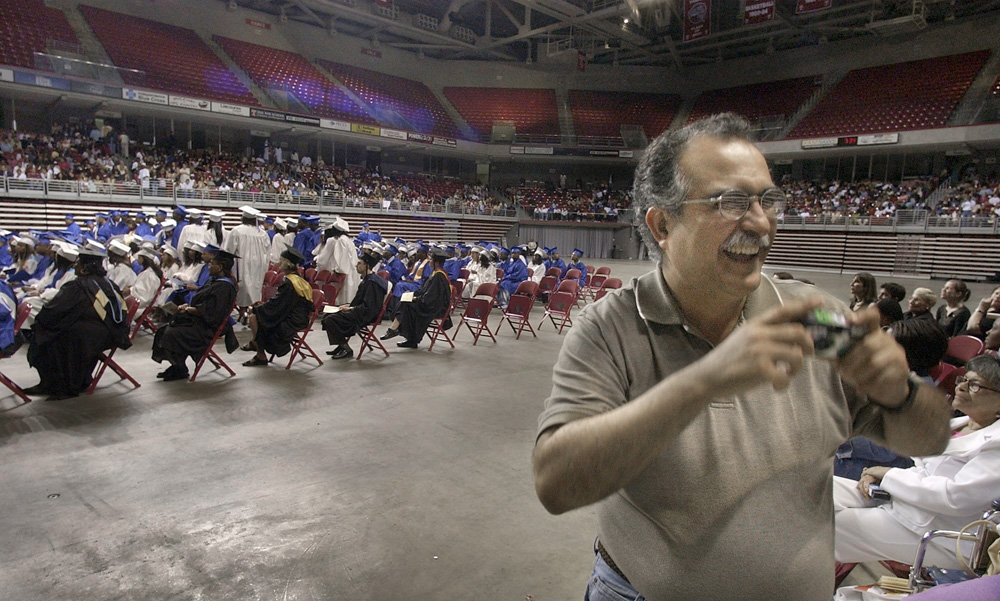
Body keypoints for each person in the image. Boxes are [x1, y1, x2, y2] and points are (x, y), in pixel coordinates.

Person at [531, 113, 951, 601]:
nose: (758, 222)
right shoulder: (610, 328)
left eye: (767, 200)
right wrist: (703, 382)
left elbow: (932, 438)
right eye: (729, 202)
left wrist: (900, 395)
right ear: (663, 223)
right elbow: (556, 484)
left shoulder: (817, 320)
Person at [834, 353, 1000, 569]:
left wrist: (888, 475)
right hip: (906, 502)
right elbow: (922, 468)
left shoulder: (996, 443)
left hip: (940, 534)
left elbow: (956, 497)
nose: (961, 387)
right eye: (963, 380)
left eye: (975, 385)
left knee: (828, 528)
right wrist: (882, 476)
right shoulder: (960, 424)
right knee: (817, 490)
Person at [23, 248, 130, 400]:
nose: (76, 266)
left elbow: (56, 310)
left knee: (49, 334)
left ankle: (61, 385)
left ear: (85, 267)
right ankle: (72, 380)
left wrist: (42, 320)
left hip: (96, 335)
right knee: (64, 331)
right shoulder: (108, 283)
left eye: (78, 263)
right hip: (113, 332)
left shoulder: (79, 286)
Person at [151, 250, 238, 381]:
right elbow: (201, 301)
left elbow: (213, 312)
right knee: (164, 329)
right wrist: (187, 306)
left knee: (171, 333)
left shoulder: (224, 286)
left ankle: (179, 367)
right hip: (199, 322)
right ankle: (178, 366)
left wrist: (190, 310)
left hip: (208, 327)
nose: (209, 266)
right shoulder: (214, 281)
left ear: (220, 267)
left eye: (212, 264)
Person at [241, 248, 315, 367]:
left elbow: (278, 305)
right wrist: (262, 306)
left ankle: (259, 351)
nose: (279, 264)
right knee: (258, 315)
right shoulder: (299, 279)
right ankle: (256, 347)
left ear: (286, 264)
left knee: (254, 317)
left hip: (293, 321)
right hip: (299, 317)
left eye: (281, 261)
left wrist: (257, 309)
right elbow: (280, 303)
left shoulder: (290, 282)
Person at [322, 252, 388, 359]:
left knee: (331, 319)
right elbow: (360, 301)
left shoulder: (372, 283)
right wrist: (347, 306)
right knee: (327, 316)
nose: (356, 266)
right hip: (359, 311)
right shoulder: (366, 280)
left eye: (359, 263)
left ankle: (347, 350)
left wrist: (350, 308)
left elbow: (369, 307)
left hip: (365, 315)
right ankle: (341, 344)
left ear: (366, 265)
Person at [384, 251, 451, 349]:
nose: (429, 262)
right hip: (430, 303)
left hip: (435, 307)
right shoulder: (435, 274)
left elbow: (431, 297)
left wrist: (416, 299)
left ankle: (397, 330)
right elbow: (424, 291)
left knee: (407, 305)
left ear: (437, 263)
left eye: (431, 260)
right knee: (405, 299)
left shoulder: (439, 276)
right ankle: (408, 337)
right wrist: (412, 294)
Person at [223, 206, 271, 317]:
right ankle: (254, 312)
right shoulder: (263, 234)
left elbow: (229, 251)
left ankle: (243, 312)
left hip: (242, 263)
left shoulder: (237, 231)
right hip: (258, 265)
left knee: (243, 288)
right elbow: (267, 253)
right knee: (255, 288)